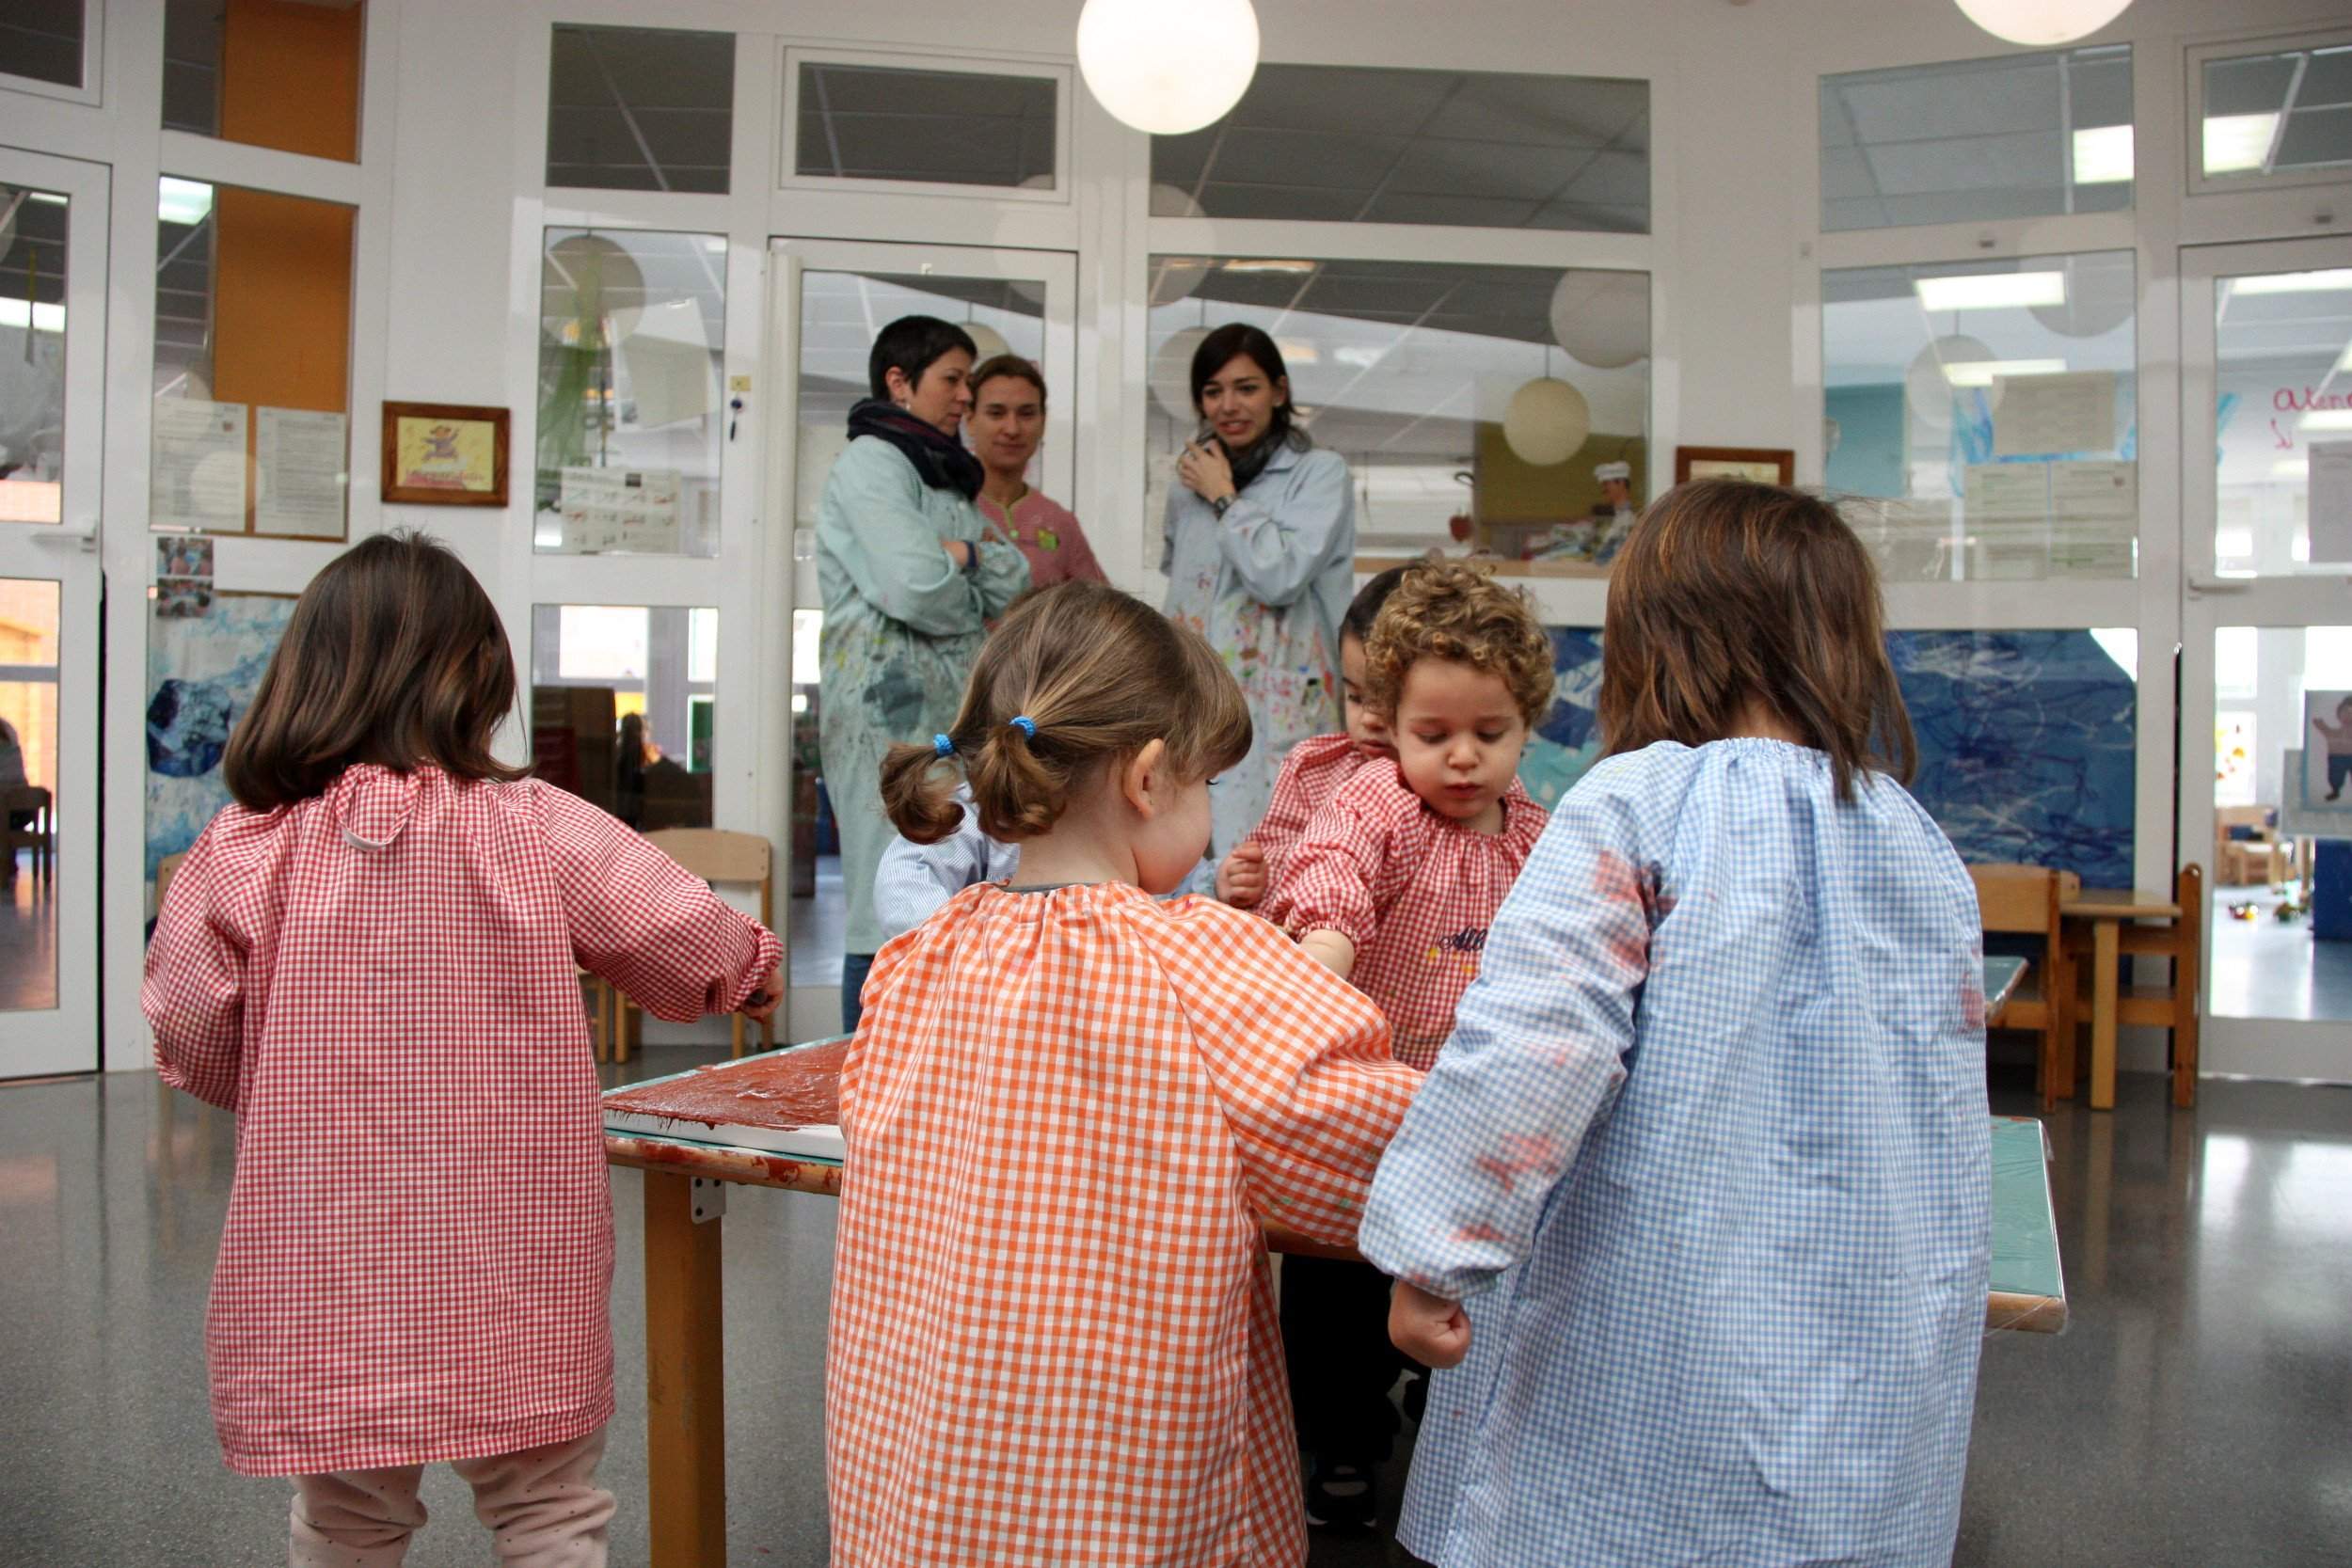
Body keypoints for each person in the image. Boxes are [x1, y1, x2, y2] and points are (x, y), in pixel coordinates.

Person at [1363, 482, 1991, 1566]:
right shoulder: (1912, 835)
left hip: (1656, 1327)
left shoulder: (1637, 803)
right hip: (1862, 1319)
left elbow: (1533, 1046)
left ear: (1649, 639)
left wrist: (1433, 1249)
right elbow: (1938, 1093)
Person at [142, 532, 784, 1568]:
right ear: (479, 677)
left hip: (326, 1254)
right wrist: (747, 974)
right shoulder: (535, 827)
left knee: (346, 1517)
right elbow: (689, 940)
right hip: (515, 1257)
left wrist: (267, 1088)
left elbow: (184, 1020)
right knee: (548, 1509)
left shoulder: (243, 846)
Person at [828, 581, 1422, 1566]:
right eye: (1207, 787)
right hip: (1125, 1506)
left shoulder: (917, 957)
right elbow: (1379, 1152)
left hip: (923, 1498)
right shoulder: (1200, 959)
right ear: (1150, 780)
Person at [1258, 557, 1554, 1528]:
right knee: (1340, 1288)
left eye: (1489, 733)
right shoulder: (1378, 799)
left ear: (1527, 725)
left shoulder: (1535, 836)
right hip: (1372, 1103)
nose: (1460, 757)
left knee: (1472, 1278)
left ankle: (1447, 1409)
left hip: (1472, 1113)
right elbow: (1332, 863)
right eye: (1433, 734)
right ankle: (1342, 1439)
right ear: (1394, 721)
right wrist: (1328, 944)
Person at [818, 314, 1031, 1034]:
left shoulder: (940, 474)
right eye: (954, 378)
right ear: (899, 382)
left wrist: (961, 558)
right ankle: (862, 1081)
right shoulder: (872, 463)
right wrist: (958, 568)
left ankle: (934, 1074)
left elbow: (1013, 573)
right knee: (882, 900)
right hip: (882, 717)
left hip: (951, 714)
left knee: (952, 884)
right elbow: (915, 587)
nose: (966, 396)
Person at [1163, 323, 1357, 874]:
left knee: (1282, 860)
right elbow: (1182, 587)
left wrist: (1226, 498)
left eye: (1246, 388)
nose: (1229, 406)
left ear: (1279, 391)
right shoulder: (1187, 484)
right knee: (1197, 863)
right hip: (1198, 698)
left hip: (1285, 701)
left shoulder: (1320, 474)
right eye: (1213, 391)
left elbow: (1281, 575)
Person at [1216, 565, 1406, 909]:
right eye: (1356, 697)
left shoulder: (1460, 783)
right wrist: (1255, 877)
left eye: (1392, 700)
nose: (1370, 719)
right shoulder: (1315, 770)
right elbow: (1275, 850)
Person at [965, 355, 1107, 591]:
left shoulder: (1058, 521)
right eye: (996, 413)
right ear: (970, 420)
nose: (1012, 429)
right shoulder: (949, 509)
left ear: (1043, 422)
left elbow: (1100, 609)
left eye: (1027, 414)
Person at [2313, 695, 2352, 801]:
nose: (2349, 716)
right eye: (2345, 712)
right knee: (2335, 775)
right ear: (2339, 715)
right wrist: (2322, 726)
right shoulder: (2335, 733)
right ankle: (2335, 790)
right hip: (2336, 757)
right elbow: (2328, 733)